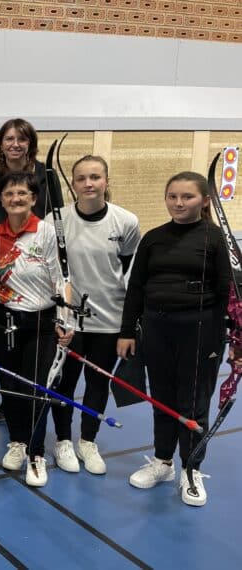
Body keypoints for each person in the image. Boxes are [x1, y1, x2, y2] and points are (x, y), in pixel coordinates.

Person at [118, 171, 229, 507]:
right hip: (156, 329)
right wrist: (127, 331)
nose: (179, 203)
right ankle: (163, 462)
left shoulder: (216, 239)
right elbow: (135, 288)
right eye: (173, 196)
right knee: (162, 399)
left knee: (194, 402)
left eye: (188, 197)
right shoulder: (153, 238)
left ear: (205, 201)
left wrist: (233, 338)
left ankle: (191, 469)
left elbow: (228, 293)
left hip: (201, 331)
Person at [51, 156, 140, 475]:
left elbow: (127, 268)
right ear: (72, 184)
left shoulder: (126, 221)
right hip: (69, 322)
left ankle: (88, 441)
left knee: (97, 383)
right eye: (81, 178)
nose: (88, 183)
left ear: (106, 181)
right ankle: (62, 440)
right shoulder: (55, 220)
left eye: (95, 177)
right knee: (63, 382)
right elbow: (52, 272)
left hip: (108, 320)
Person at [0, 172, 73, 487]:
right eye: (9, 194)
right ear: (1, 200)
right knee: (9, 385)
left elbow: (60, 278)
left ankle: (36, 454)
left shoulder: (45, 231)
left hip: (40, 320)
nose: (15, 199)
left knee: (36, 388)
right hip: (5, 322)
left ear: (33, 198)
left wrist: (65, 319)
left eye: (22, 193)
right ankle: (17, 441)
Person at [0, 119, 49, 424]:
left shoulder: (46, 174)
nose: (15, 144)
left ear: (30, 143)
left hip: (36, 258)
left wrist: (34, 237)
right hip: (2, 257)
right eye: (9, 139)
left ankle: (32, 408)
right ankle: (10, 404)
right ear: (1, 143)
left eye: (22, 139)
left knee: (35, 357)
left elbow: (53, 211)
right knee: (6, 348)